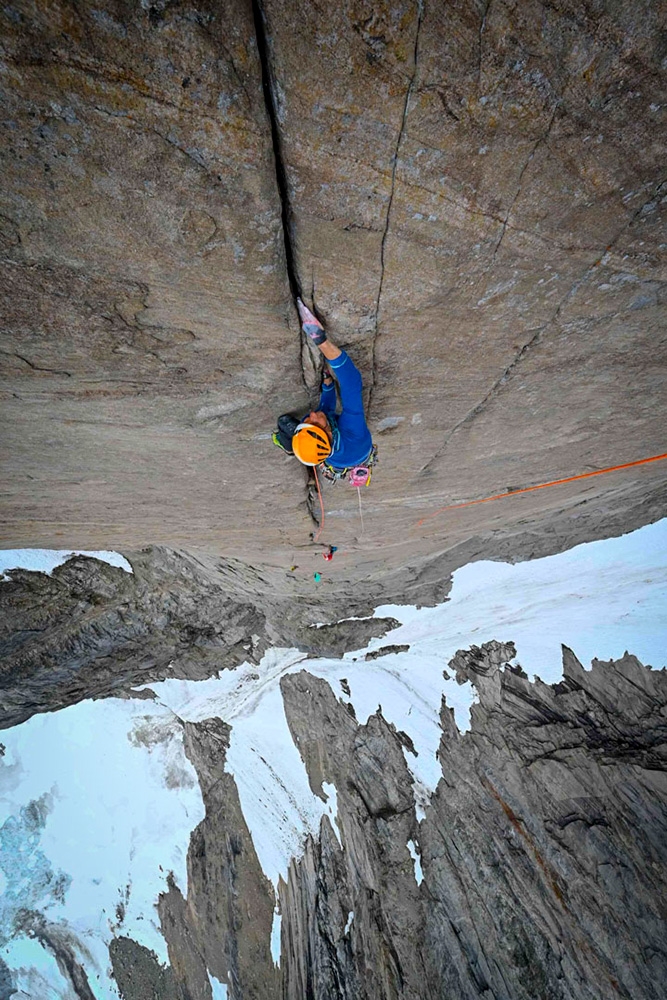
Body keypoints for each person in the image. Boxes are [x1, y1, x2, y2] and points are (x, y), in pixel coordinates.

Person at [272, 299, 374, 476]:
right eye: (314, 423)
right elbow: (352, 383)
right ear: (328, 432)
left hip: (334, 458)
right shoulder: (352, 433)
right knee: (295, 424)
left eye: (308, 423)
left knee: (288, 423)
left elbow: (324, 410)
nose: (311, 415)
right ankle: (290, 446)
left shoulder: (320, 430)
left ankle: (292, 445)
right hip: (357, 450)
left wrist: (327, 386)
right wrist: (321, 341)